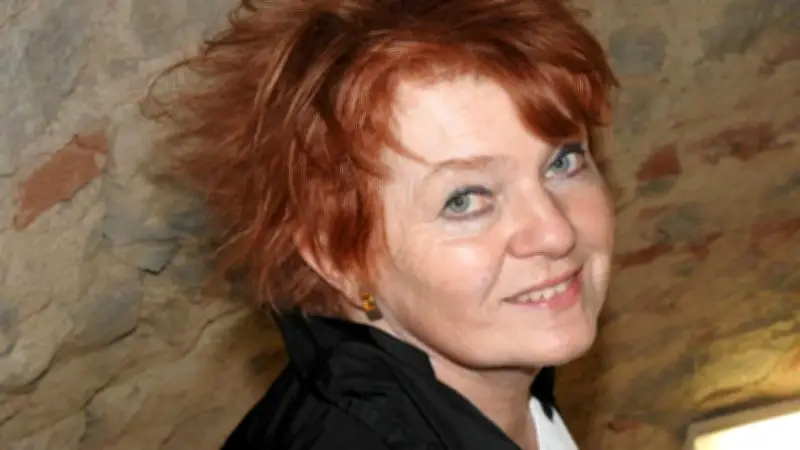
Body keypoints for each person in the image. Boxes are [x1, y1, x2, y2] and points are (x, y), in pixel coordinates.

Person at [147, 0, 618, 448]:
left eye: (563, 162)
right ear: (338, 258)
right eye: (465, 200)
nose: (556, 232)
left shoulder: (491, 382)